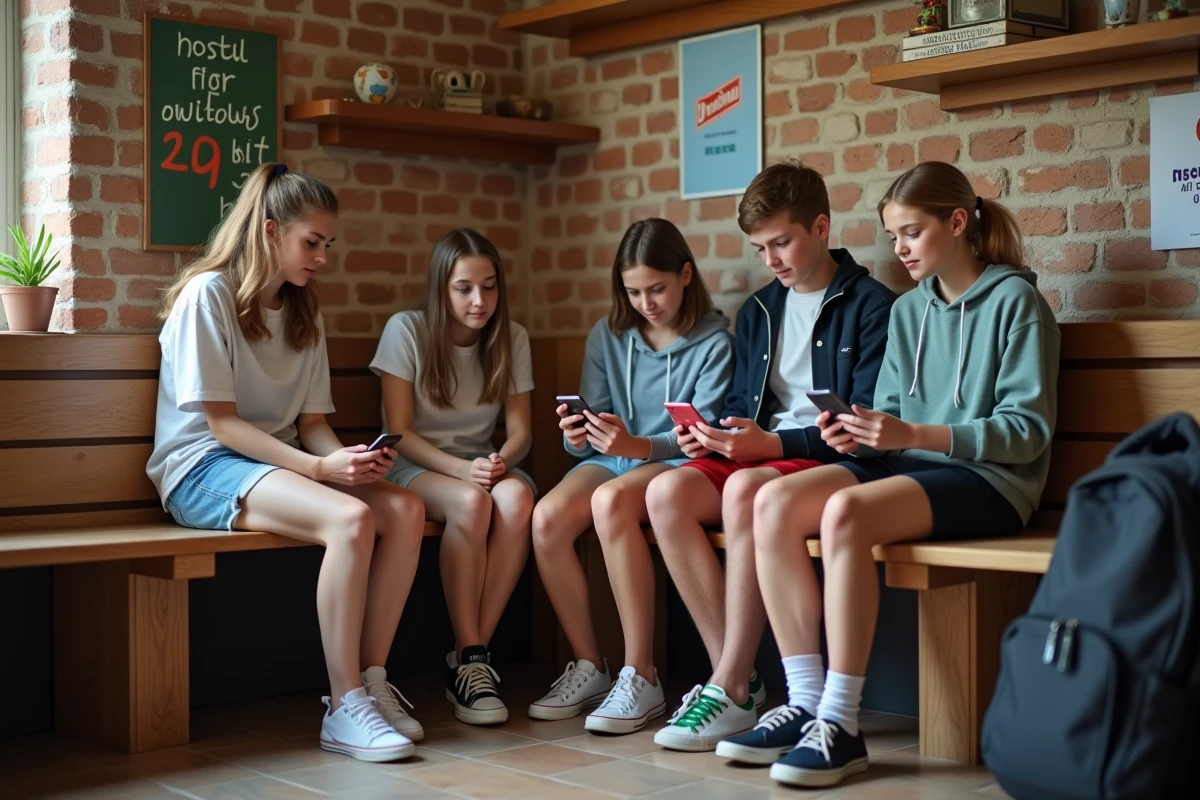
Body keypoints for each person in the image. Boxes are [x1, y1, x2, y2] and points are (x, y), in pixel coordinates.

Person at [754, 161, 1060, 788]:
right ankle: (808, 701)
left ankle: (841, 724)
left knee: (845, 512)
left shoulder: (1016, 302)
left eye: (911, 233)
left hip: (991, 483)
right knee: (774, 502)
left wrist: (911, 435)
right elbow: (892, 412)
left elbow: (1026, 433)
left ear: (956, 222)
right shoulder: (908, 311)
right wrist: (860, 428)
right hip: (912, 471)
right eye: (893, 236)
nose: (899, 249)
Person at [147, 163, 425, 763]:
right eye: (312, 243)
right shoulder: (208, 295)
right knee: (350, 522)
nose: (322, 258)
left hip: (275, 464)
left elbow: (313, 427)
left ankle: (372, 682)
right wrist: (319, 472)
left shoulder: (303, 312)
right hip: (201, 466)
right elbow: (220, 424)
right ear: (270, 231)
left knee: (403, 507)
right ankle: (343, 705)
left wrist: (345, 461)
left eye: (328, 245)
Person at [645, 160, 896, 752]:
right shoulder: (758, 310)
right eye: (760, 248)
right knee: (666, 492)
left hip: (824, 463)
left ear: (821, 228)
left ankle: (729, 683)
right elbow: (742, 405)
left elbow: (861, 427)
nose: (771, 260)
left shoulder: (873, 305)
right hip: (760, 456)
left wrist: (773, 445)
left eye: (781, 242)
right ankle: (740, 680)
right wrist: (711, 435)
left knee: (743, 488)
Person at [528, 218, 734, 734]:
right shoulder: (608, 335)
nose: (646, 302)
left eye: (657, 288)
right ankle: (589, 665)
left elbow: (698, 436)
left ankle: (640, 673)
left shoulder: (716, 341)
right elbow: (583, 436)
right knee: (547, 518)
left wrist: (637, 445)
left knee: (611, 502)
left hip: (675, 463)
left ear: (686, 275)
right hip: (616, 457)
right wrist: (580, 432)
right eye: (634, 291)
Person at [371, 228, 535, 726]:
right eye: (464, 288)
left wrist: (500, 460)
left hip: (483, 464)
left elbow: (521, 432)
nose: (479, 300)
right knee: (472, 503)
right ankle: (472, 654)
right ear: (442, 287)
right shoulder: (407, 330)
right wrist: (466, 472)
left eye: (489, 286)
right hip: (415, 465)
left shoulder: (513, 338)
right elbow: (399, 431)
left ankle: (469, 659)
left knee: (517, 502)